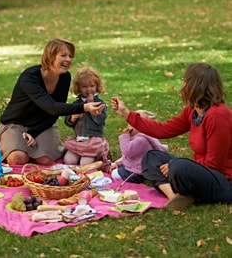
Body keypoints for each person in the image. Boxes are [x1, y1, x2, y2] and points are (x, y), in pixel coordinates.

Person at [111, 62, 232, 210]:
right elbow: (164, 130)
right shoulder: (193, 110)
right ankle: (175, 196)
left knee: (179, 166)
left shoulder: (218, 115)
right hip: (201, 173)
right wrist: (127, 114)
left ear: (196, 85)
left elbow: (214, 165)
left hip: (223, 181)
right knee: (150, 157)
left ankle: (188, 190)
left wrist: (177, 166)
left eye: (186, 80)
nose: (183, 84)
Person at [0, 39, 105, 166]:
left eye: (70, 56)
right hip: (16, 123)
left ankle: (33, 151)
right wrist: (84, 107)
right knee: (18, 159)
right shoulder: (30, 77)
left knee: (45, 161)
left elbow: (54, 113)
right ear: (50, 56)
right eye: (63, 55)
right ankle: (18, 147)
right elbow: (51, 107)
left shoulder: (65, 77)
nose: (68, 59)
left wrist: (33, 132)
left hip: (44, 123)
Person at [63, 67, 109, 165]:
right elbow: (67, 122)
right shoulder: (76, 104)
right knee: (68, 160)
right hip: (80, 139)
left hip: (93, 141)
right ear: (78, 88)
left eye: (92, 86)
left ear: (97, 86)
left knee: (84, 163)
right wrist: (71, 118)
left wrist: (91, 106)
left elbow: (100, 121)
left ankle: (99, 156)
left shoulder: (100, 104)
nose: (89, 89)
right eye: (84, 86)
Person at [107, 110, 168, 183]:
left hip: (136, 172)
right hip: (133, 165)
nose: (129, 127)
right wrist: (118, 163)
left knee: (113, 174)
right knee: (113, 166)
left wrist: (124, 137)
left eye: (132, 125)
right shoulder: (141, 137)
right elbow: (130, 157)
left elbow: (127, 152)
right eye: (129, 123)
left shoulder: (141, 140)